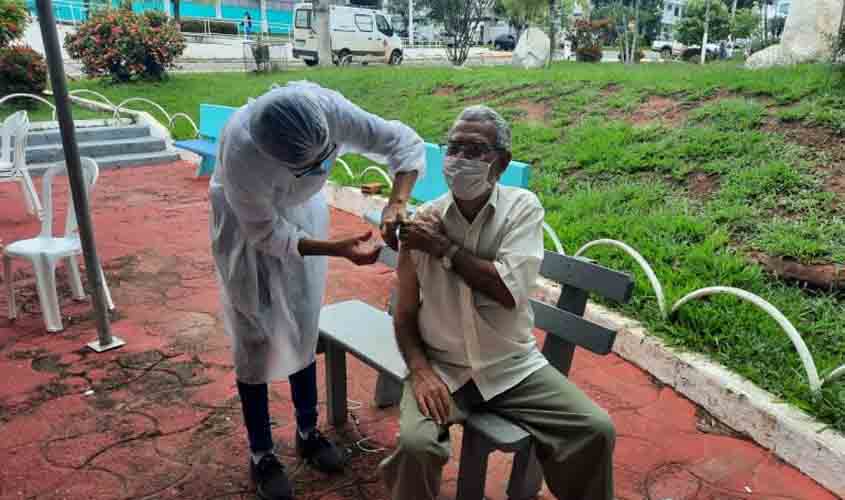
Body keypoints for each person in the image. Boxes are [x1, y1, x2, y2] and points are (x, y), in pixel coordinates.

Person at [379, 105, 616, 500]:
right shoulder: (423, 222)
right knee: (416, 447)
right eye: (453, 148)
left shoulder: (521, 209)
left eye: (475, 150)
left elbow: (508, 291)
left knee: (595, 429)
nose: (459, 160)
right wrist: (420, 371)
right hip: (444, 368)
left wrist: (443, 248)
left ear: (501, 163)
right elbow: (403, 314)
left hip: (511, 368)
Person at [210, 81, 425, 500]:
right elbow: (266, 232)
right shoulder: (241, 154)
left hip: (303, 214)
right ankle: (262, 454)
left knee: (304, 323)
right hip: (246, 228)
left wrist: (397, 201)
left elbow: (402, 142)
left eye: (325, 162)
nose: (320, 171)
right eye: (309, 169)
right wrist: (338, 249)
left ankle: (308, 432)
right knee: (254, 333)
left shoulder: (329, 109)